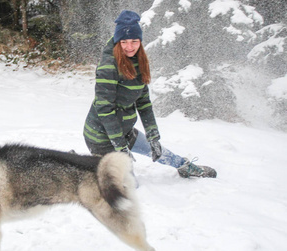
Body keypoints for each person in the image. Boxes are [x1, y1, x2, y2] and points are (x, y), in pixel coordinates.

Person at [83, 10, 216, 178]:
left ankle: (184, 167)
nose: (129, 47)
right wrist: (120, 146)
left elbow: (143, 102)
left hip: (123, 131)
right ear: (118, 41)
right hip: (101, 137)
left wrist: (153, 136)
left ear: (140, 41)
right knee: (130, 186)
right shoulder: (108, 67)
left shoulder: (138, 62)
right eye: (124, 41)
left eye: (134, 41)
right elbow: (104, 109)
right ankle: (84, 169)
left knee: (159, 151)